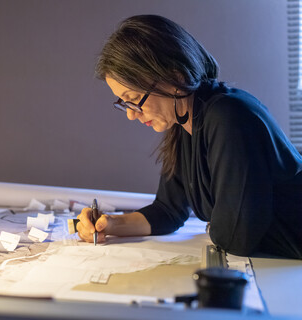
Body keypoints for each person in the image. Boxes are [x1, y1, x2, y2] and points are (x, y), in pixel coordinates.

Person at [77, 15, 302, 259]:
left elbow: (237, 237)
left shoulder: (229, 116)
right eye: (124, 103)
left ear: (176, 78)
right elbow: (167, 210)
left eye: (134, 100)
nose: (132, 115)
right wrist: (109, 225)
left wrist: (215, 227)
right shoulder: (184, 124)